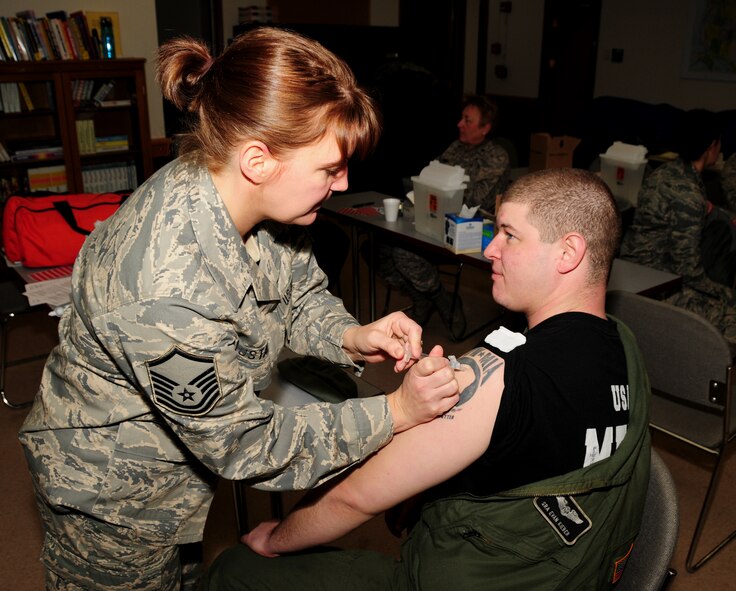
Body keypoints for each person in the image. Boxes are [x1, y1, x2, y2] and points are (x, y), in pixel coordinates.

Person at [18, 30, 461, 591]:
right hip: (111, 495)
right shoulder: (167, 287)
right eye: (329, 168)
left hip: (179, 472)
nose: (343, 182)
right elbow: (246, 443)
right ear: (259, 159)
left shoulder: (249, 193)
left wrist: (350, 335)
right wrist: (395, 413)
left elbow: (295, 293)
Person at [205, 168, 652, 590]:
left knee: (234, 569)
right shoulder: (625, 344)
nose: (491, 249)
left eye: (510, 235)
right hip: (561, 567)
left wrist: (275, 537)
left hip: (463, 578)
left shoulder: (506, 375)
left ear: (568, 253)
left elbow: (354, 499)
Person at [375, 96, 511, 336]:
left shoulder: (495, 156)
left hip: (468, 229)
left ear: (485, 128)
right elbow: (429, 178)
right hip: (434, 221)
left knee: (403, 253)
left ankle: (442, 301)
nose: (460, 124)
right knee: (377, 249)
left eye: (467, 120)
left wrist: (440, 190)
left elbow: (476, 200)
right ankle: (427, 298)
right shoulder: (456, 147)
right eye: (461, 118)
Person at [620, 109, 736, 348]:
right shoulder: (690, 195)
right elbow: (687, 270)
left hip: (635, 274)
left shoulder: (663, 173)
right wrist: (725, 293)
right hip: (657, 287)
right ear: (711, 146)